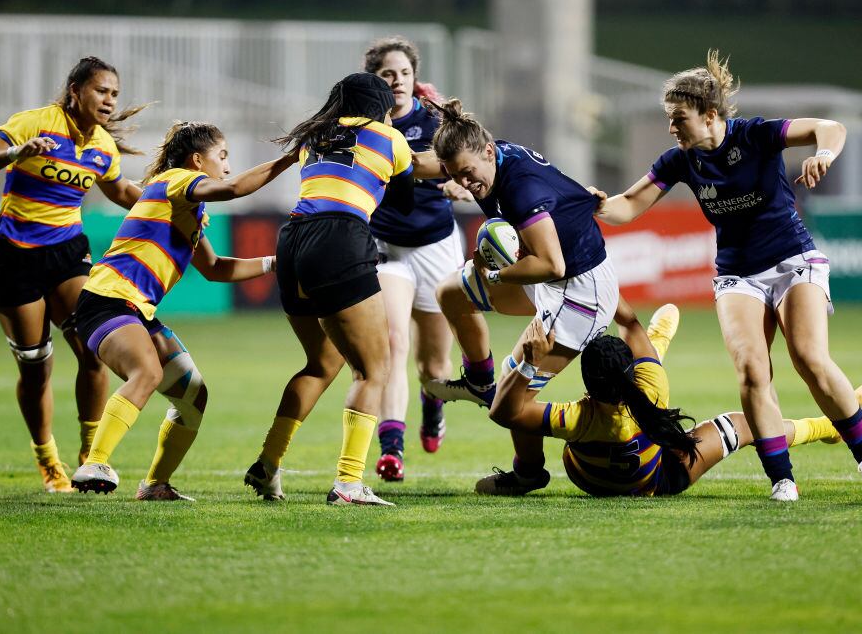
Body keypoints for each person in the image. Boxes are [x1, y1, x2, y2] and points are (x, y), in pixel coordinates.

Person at [590, 50, 862, 501]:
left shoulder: (756, 135)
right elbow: (627, 206)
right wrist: (589, 202)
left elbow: (830, 127)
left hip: (793, 260)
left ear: (710, 115)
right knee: (752, 371)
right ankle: (782, 480)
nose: (672, 128)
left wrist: (824, 153)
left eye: (679, 118)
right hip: (738, 274)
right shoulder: (680, 161)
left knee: (809, 358)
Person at [69, 122, 295, 499]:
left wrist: (275, 263)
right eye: (221, 156)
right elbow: (235, 188)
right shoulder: (175, 181)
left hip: (136, 309)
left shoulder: (187, 208)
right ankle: (95, 461)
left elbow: (216, 269)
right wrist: (291, 157)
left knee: (193, 395)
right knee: (147, 371)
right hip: (107, 300)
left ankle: (155, 485)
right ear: (196, 160)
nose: (226, 164)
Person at [416, 98, 619, 495]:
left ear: (488, 152)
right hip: (552, 278)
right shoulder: (487, 154)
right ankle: (479, 380)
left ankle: (536, 465)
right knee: (451, 293)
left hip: (576, 294)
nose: (467, 183)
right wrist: (385, 160)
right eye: (457, 176)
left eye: (470, 174)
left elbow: (552, 264)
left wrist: (493, 273)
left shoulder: (520, 192)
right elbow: (432, 164)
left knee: (508, 406)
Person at [0, 56, 146, 493]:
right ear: (75, 91)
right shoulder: (34, 123)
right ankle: (49, 462)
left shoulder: (102, 146)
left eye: (114, 94)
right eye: (101, 91)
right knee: (36, 368)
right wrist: (16, 152)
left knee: (93, 349)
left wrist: (171, 210)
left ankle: (91, 457)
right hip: (15, 257)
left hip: (67, 254)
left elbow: (120, 190)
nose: (109, 100)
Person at [482, 304, 862, 497]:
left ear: (586, 383)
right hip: (660, 479)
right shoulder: (652, 386)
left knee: (521, 403)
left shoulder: (575, 417)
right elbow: (630, 323)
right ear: (633, 374)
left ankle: (525, 474)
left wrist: (529, 365)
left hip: (592, 482)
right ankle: (830, 427)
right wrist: (606, 295)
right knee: (748, 423)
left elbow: (507, 411)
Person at [243, 73, 415, 506]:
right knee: (374, 370)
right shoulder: (389, 137)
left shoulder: (313, 137)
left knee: (320, 364)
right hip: (341, 238)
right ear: (380, 105)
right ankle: (349, 483)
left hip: (293, 239)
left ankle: (268, 463)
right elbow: (407, 200)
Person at [362, 37, 472, 482]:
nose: (398, 81)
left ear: (415, 77)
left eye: (405, 73)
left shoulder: (434, 121)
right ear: (375, 80)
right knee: (392, 343)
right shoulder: (363, 127)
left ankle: (433, 406)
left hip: (437, 248)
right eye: (389, 74)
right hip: (387, 249)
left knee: (434, 366)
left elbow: (461, 159)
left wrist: (455, 182)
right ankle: (392, 450)